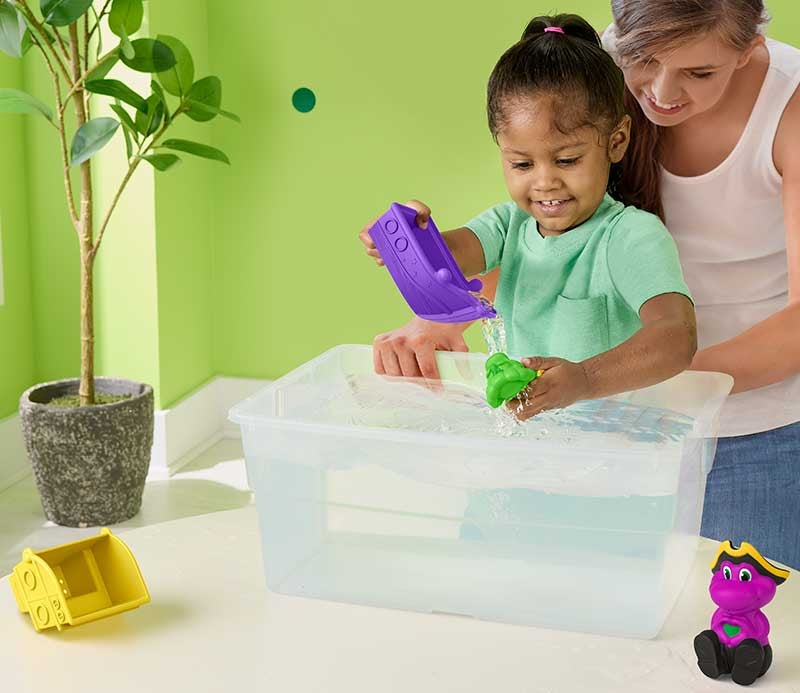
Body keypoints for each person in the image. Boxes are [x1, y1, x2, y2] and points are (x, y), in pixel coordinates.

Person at [366, 1, 800, 569]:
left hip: (740, 430)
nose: (662, 92)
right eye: (643, 59)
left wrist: (611, 381)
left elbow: (675, 335)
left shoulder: (778, 118)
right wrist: (421, 274)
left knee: (735, 610)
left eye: (699, 72)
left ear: (749, 50)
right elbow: (523, 242)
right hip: (570, 434)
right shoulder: (585, 67)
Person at [360, 13, 697, 421]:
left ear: (616, 141)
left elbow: (676, 337)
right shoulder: (507, 227)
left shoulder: (629, 236)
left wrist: (585, 379)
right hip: (533, 442)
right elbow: (444, 260)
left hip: (612, 445)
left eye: (567, 160)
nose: (545, 182)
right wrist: (408, 239)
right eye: (521, 164)